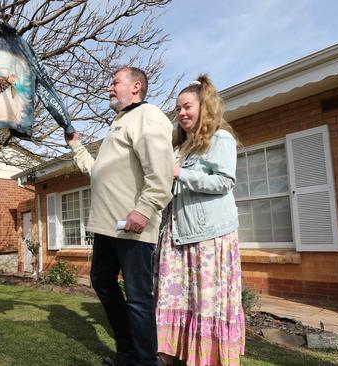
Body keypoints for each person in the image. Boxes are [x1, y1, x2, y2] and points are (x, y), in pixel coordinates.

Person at [66, 66, 174, 366]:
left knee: (138, 296)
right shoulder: (119, 123)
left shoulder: (147, 117)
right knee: (101, 280)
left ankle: (146, 361)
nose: (110, 87)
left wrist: (145, 208)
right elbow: (97, 170)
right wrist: (75, 145)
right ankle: (127, 353)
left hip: (132, 224)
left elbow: (162, 170)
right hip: (107, 227)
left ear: (136, 86)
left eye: (115, 82)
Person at [155, 74, 244, 366]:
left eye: (187, 106)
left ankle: (207, 357)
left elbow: (223, 182)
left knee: (205, 301)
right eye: (178, 108)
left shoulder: (220, 139)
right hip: (177, 232)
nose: (181, 113)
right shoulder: (182, 147)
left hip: (208, 236)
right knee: (175, 297)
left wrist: (181, 174)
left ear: (204, 107)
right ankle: (168, 353)